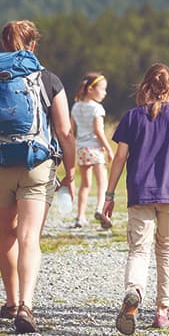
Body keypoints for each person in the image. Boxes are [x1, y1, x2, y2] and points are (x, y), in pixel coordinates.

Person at [0, 20, 76, 334]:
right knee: (28, 236)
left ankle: (9, 302)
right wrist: (72, 171)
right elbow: (64, 131)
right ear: (33, 45)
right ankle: (26, 305)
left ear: (3, 45)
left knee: (7, 233)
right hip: (37, 165)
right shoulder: (48, 79)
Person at [102, 63, 169, 335]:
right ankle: (162, 311)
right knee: (166, 250)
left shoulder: (132, 117)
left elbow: (120, 157)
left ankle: (133, 293)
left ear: (145, 87)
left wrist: (109, 194)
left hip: (140, 192)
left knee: (139, 250)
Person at [70, 72, 116, 229]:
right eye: (102, 89)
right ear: (91, 89)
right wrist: (109, 149)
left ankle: (80, 217)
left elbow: (71, 129)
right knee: (102, 181)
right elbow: (98, 131)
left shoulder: (76, 106)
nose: (105, 93)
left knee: (85, 184)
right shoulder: (97, 108)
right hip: (95, 148)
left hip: (81, 148)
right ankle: (99, 210)